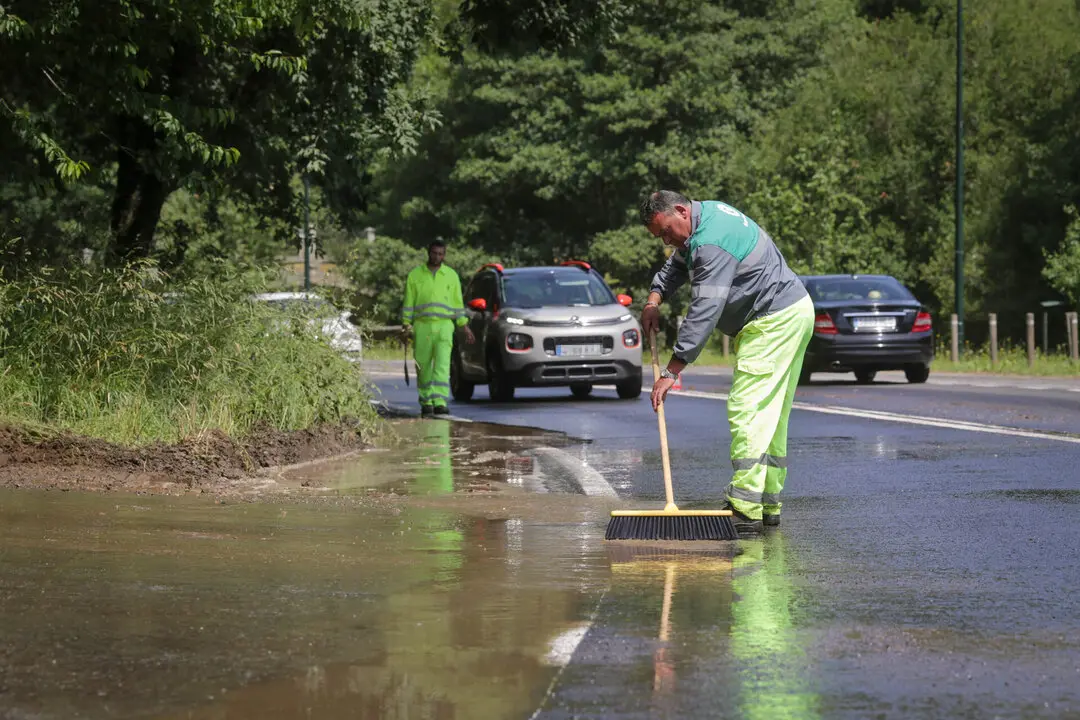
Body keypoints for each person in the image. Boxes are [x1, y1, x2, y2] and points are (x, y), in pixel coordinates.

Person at [638, 190, 814, 536]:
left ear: (680, 211)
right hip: (792, 312)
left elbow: (704, 312)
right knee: (770, 416)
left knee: (748, 408)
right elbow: (677, 263)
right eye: (660, 237)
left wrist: (671, 372)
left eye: (666, 231)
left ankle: (744, 508)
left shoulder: (712, 243)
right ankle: (766, 503)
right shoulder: (706, 219)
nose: (666, 241)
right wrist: (654, 298)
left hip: (772, 319)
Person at [401, 239, 475, 416]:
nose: (437, 256)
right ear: (428, 252)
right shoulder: (415, 275)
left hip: (444, 327)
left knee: (442, 366)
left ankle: (440, 401)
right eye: (434, 253)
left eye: (441, 254)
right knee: (423, 366)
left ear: (444, 255)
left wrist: (464, 326)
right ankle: (426, 401)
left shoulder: (451, 276)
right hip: (422, 326)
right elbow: (408, 303)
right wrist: (406, 325)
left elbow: (458, 304)